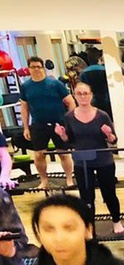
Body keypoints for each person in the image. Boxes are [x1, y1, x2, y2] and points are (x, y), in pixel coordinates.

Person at [54, 82, 123, 234]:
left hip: (103, 160)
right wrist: (62, 135)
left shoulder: (102, 115)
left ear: (91, 95)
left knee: (109, 193)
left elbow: (113, 140)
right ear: (74, 95)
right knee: (86, 197)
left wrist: (109, 134)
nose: (83, 96)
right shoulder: (69, 117)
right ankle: (89, 226)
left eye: (86, 93)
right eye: (79, 94)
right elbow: (69, 141)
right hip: (82, 162)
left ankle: (116, 221)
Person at [20, 56, 76, 188]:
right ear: (29, 69)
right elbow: (24, 108)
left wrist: (71, 121)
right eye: (33, 67)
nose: (36, 69)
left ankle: (69, 179)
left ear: (43, 68)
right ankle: (44, 181)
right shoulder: (26, 87)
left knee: (63, 153)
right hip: (39, 124)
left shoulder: (55, 84)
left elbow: (70, 102)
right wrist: (26, 127)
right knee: (39, 154)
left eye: (39, 67)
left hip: (59, 123)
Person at [79, 49, 112, 120]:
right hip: (107, 99)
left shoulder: (83, 73)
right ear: (99, 59)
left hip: (92, 101)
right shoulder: (106, 70)